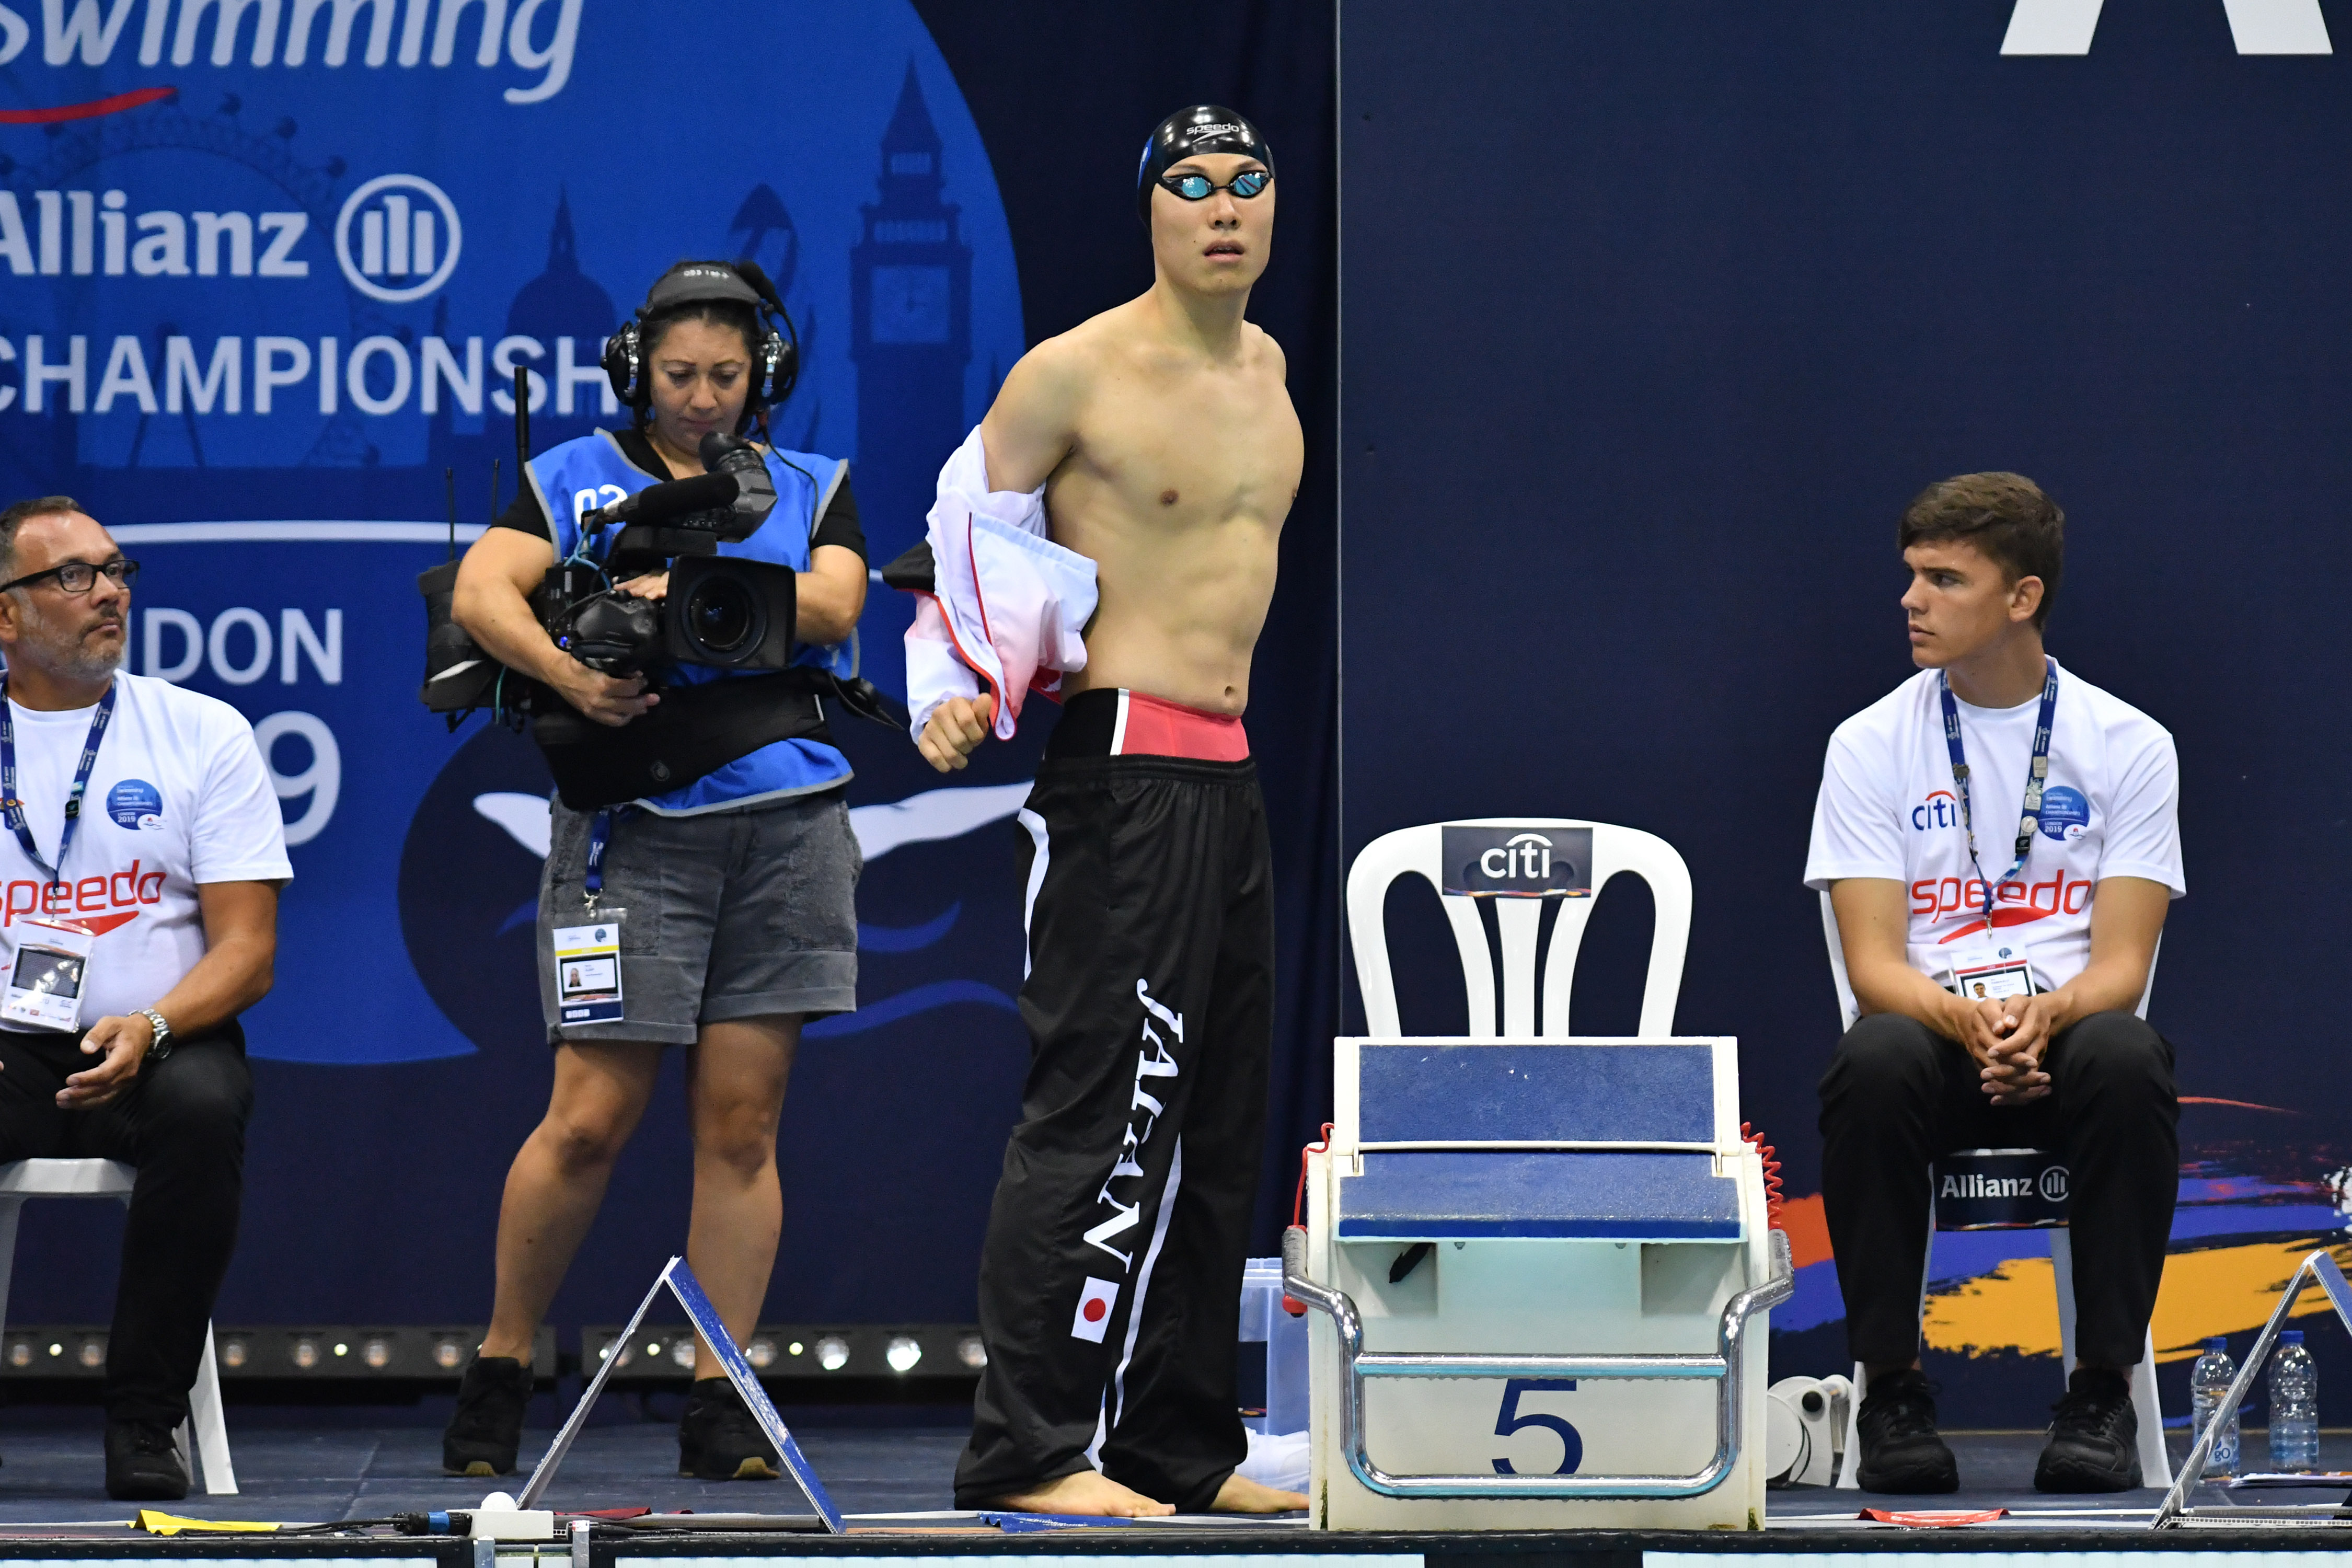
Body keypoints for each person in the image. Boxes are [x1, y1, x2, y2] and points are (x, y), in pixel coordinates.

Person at [908, 106, 1305, 1518]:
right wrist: (949, 693)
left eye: (1244, 184)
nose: (1219, 207)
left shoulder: (1268, 377)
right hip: (1120, 776)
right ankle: (1027, 1447)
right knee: (1106, 1117)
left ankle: (1175, 1444)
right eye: (1189, 186)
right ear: (1148, 212)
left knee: (1216, 1128)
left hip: (1229, 773)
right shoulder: (1068, 375)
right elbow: (959, 535)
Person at [441, 261, 868, 1481]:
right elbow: (483, 591)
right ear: (638, 371)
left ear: (763, 377)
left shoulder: (808, 484)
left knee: (742, 1126)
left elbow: (835, 607)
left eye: (726, 377)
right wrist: (574, 672)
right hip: (631, 832)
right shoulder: (572, 475)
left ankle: (718, 1394)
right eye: (679, 375)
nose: (702, 399)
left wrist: (683, 586)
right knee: (588, 1121)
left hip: (788, 833)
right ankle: (504, 1362)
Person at [1806, 472, 2182, 1494]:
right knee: (1873, 1056)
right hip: (1929, 1039)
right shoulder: (1870, 743)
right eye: (1911, 576)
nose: (1910, 600)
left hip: (2070, 1040)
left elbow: (2122, 967)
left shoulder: (2130, 745)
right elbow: (1877, 966)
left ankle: (2101, 1393)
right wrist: (1970, 1021)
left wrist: (2044, 1015)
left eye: (1942, 579)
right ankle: (1893, 1392)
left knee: (2127, 1051)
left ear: (2020, 598)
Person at [0, 496, 287, 1501]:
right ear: (6, 616)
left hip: (164, 1035)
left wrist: (155, 1022)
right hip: (9, 1045)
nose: (110, 590)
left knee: (207, 1110)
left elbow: (249, 951)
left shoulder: (202, 732)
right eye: (74, 575)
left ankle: (143, 1422)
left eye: (116, 569)